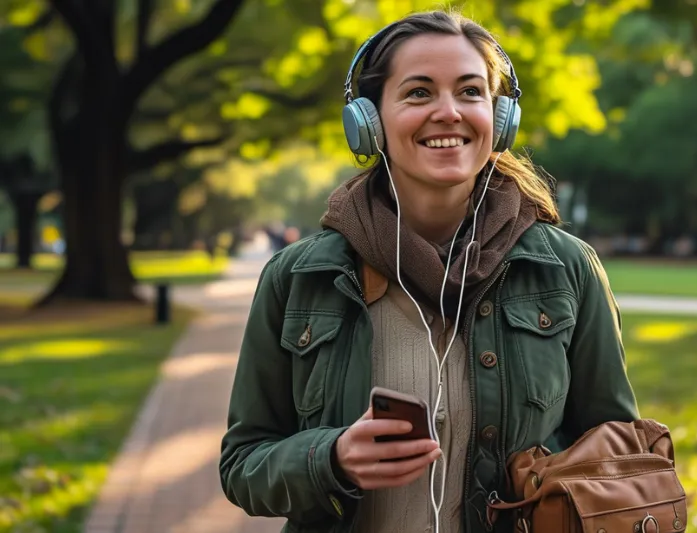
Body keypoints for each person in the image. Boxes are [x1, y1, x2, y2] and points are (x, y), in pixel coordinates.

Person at [219, 9, 639, 533]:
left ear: (500, 117)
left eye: (470, 92)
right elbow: (242, 464)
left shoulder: (566, 269)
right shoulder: (298, 278)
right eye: (419, 93)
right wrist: (331, 458)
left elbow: (618, 450)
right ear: (369, 121)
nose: (449, 112)